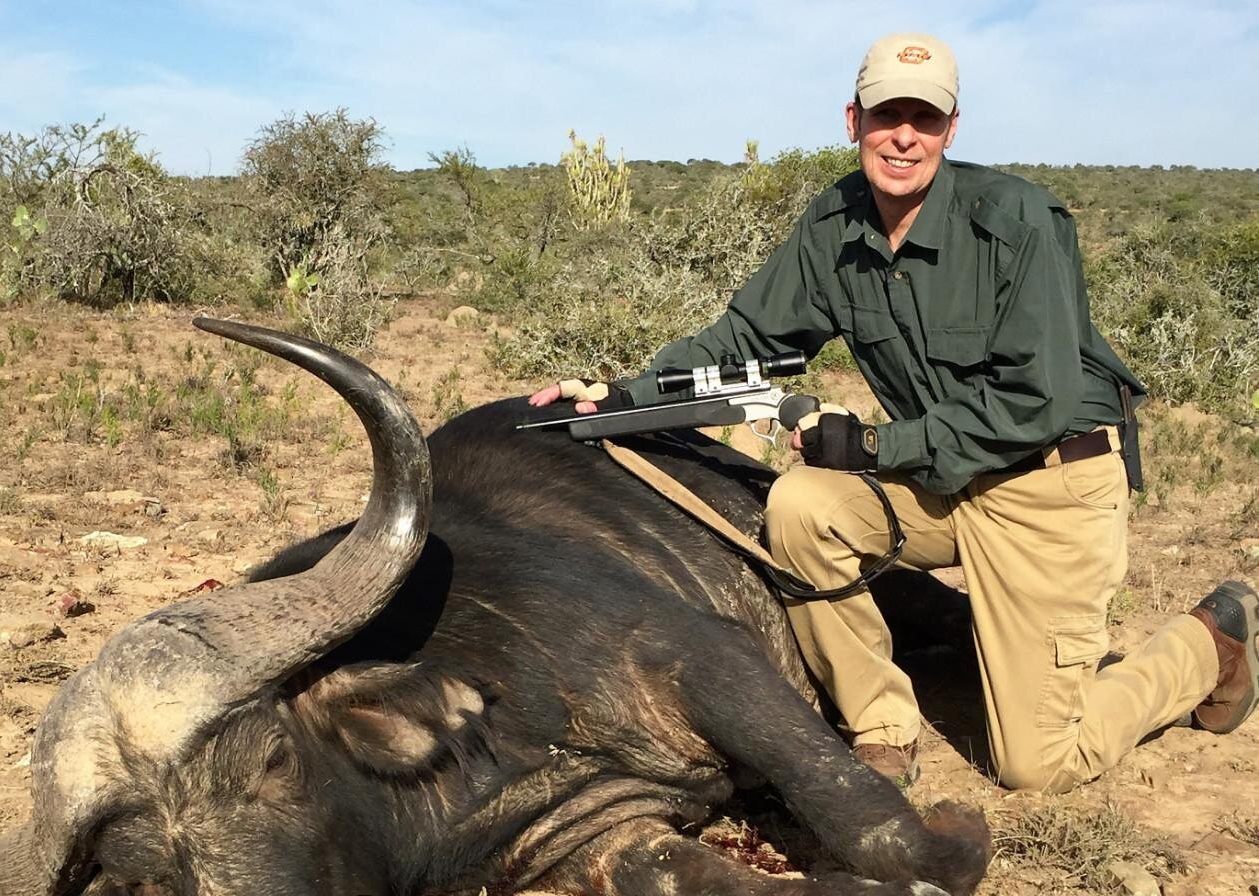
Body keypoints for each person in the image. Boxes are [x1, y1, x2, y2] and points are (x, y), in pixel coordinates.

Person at [529, 32, 1258, 792]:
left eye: (925, 117)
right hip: (937, 478)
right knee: (804, 504)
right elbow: (745, 339)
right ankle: (882, 726)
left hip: (1047, 485)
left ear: (951, 127)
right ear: (854, 120)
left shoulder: (1019, 222)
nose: (903, 136)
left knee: (1039, 763)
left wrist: (872, 443)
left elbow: (1030, 402)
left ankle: (1209, 644)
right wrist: (624, 394)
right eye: (886, 114)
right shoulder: (833, 223)